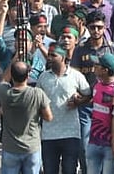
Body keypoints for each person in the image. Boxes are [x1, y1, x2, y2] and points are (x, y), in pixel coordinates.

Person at [36, 45, 90, 174]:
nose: (49, 58)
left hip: (71, 133)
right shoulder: (43, 77)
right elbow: (37, 99)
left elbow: (88, 95)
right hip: (49, 134)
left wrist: (78, 101)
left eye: (53, 55)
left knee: (69, 170)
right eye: (49, 55)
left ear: (63, 57)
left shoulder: (76, 76)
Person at [0, 59, 54, 174]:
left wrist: (13, 60)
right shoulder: (37, 93)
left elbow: (3, 80)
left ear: (12, 76)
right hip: (31, 147)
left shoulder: (4, 92)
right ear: (28, 76)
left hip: (10, 147)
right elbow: (49, 117)